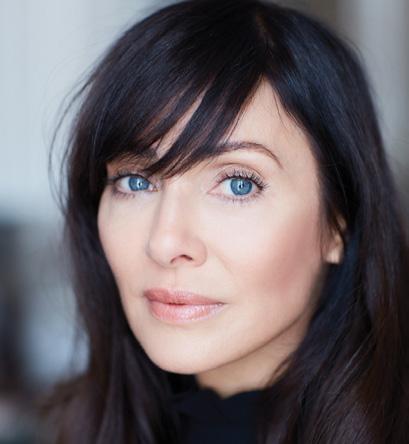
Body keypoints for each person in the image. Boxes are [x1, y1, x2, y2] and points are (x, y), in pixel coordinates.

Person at [42, 0, 409, 442]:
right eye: (135, 181)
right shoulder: (80, 427)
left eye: (238, 184)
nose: (165, 242)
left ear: (337, 222)